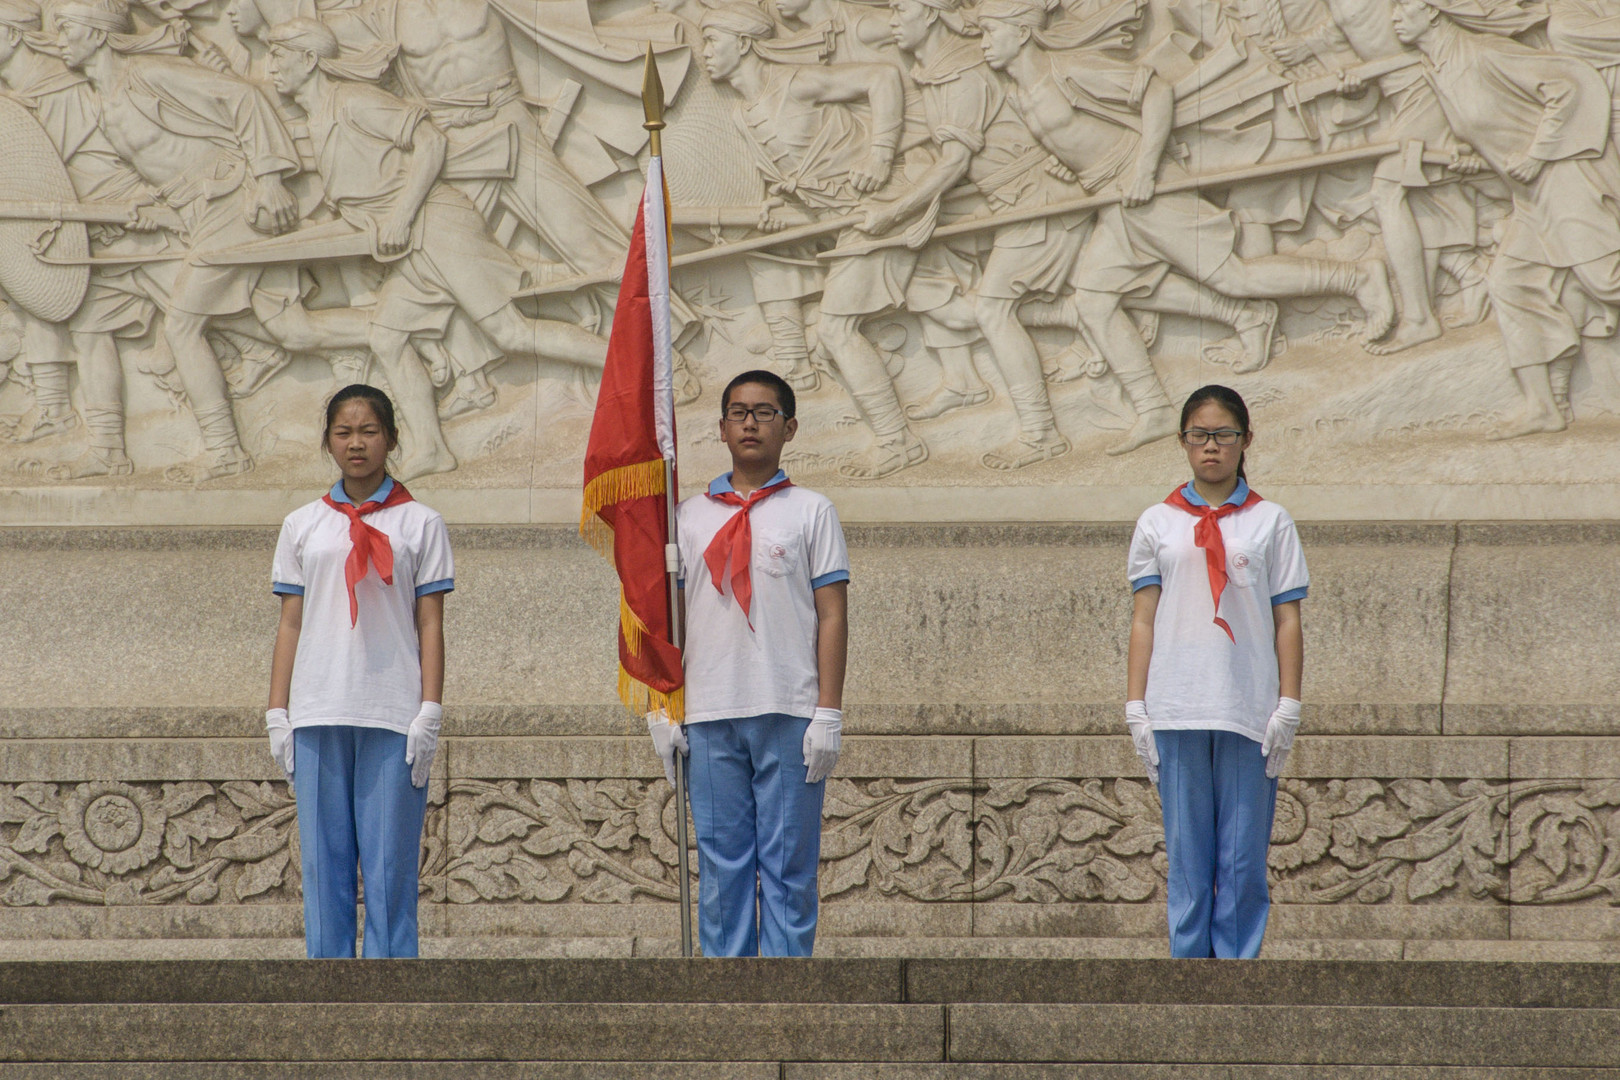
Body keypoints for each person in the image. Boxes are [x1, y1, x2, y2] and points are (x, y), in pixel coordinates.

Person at [650, 369, 850, 957]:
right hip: (709, 710)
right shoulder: (685, 516)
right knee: (721, 865)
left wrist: (828, 713)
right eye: (738, 412)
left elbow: (832, 615)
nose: (750, 423)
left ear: (789, 427)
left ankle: (786, 997)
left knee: (788, 865)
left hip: (787, 707)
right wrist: (662, 708)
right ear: (721, 428)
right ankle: (726, 997)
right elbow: (666, 619)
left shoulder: (811, 511)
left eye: (764, 413)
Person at [266, 383, 454, 958]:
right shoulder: (302, 524)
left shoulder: (421, 523)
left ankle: (392, 999)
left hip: (392, 710)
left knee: (391, 866)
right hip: (319, 706)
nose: (356, 443)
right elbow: (291, 622)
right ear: (327, 442)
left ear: (391, 439)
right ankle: (327, 1001)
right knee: (325, 868)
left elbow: (429, 622)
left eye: (369, 431)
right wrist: (278, 710)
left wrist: (430, 708)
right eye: (344, 432)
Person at [1124, 384, 1308, 959]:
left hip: (1247, 707)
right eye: (1199, 435)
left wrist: (1290, 704)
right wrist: (1135, 705)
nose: (1211, 447)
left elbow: (1287, 618)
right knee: (1186, 855)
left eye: (1224, 435)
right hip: (1177, 703)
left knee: (1242, 857)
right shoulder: (1157, 521)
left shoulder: (1270, 521)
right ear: (1182, 442)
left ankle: (1237, 970)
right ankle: (1188, 973)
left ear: (1244, 441)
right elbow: (1143, 619)